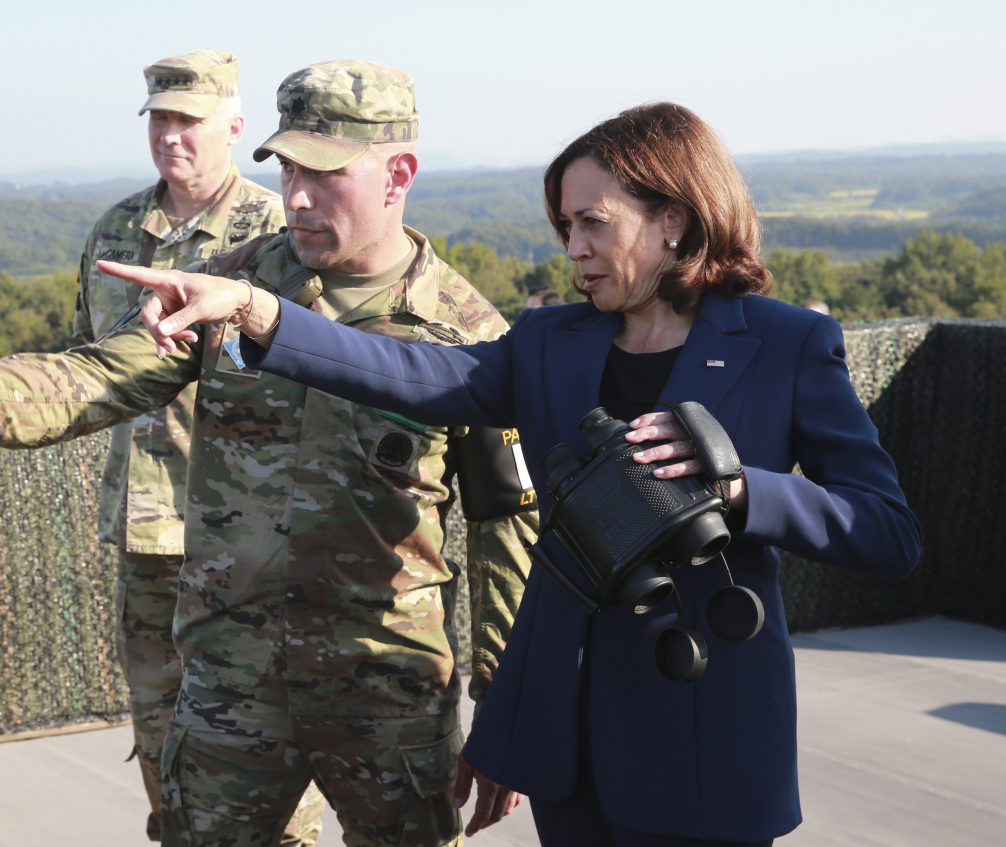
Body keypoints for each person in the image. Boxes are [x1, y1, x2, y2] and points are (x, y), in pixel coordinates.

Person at [111, 102, 923, 847]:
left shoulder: (786, 346)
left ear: (673, 219)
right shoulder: (550, 342)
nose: (573, 250)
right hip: (569, 740)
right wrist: (255, 309)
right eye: (565, 225)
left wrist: (744, 489)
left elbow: (887, 529)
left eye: (594, 224)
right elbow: (410, 374)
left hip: (705, 731)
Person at [0, 60, 536, 847]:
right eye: (287, 170)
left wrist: (512, 709)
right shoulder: (226, 289)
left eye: (325, 175)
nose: (296, 199)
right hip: (230, 683)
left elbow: (507, 533)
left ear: (399, 173)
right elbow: (94, 376)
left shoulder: (470, 332)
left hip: (384, 689)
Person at [71, 48, 289, 843]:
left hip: (244, 534)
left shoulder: (274, 231)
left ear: (234, 126)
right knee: (159, 733)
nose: (172, 136)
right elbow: (81, 365)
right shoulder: (116, 229)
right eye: (160, 119)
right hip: (144, 531)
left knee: (257, 740)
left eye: (189, 120)